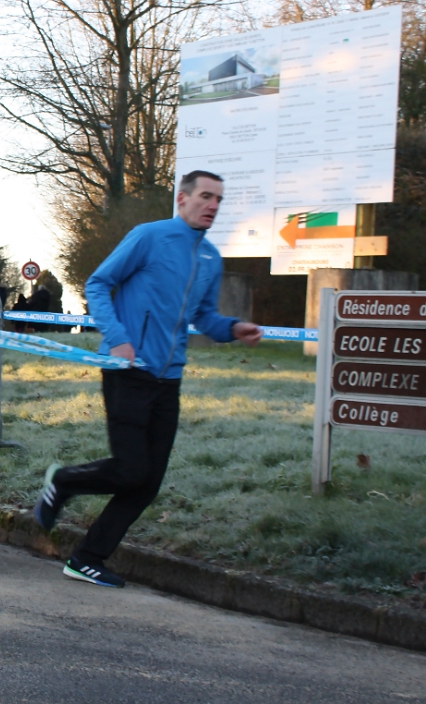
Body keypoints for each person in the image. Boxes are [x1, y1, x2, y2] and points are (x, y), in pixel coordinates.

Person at [33, 170, 263, 588]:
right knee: (130, 469)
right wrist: (118, 338)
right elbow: (98, 284)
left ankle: (86, 558)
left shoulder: (210, 258)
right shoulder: (149, 236)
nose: (213, 205)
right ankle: (63, 480)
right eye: (206, 196)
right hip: (128, 370)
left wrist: (233, 328)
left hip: (168, 379)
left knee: (147, 483)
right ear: (183, 199)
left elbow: (204, 317)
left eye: (218, 199)